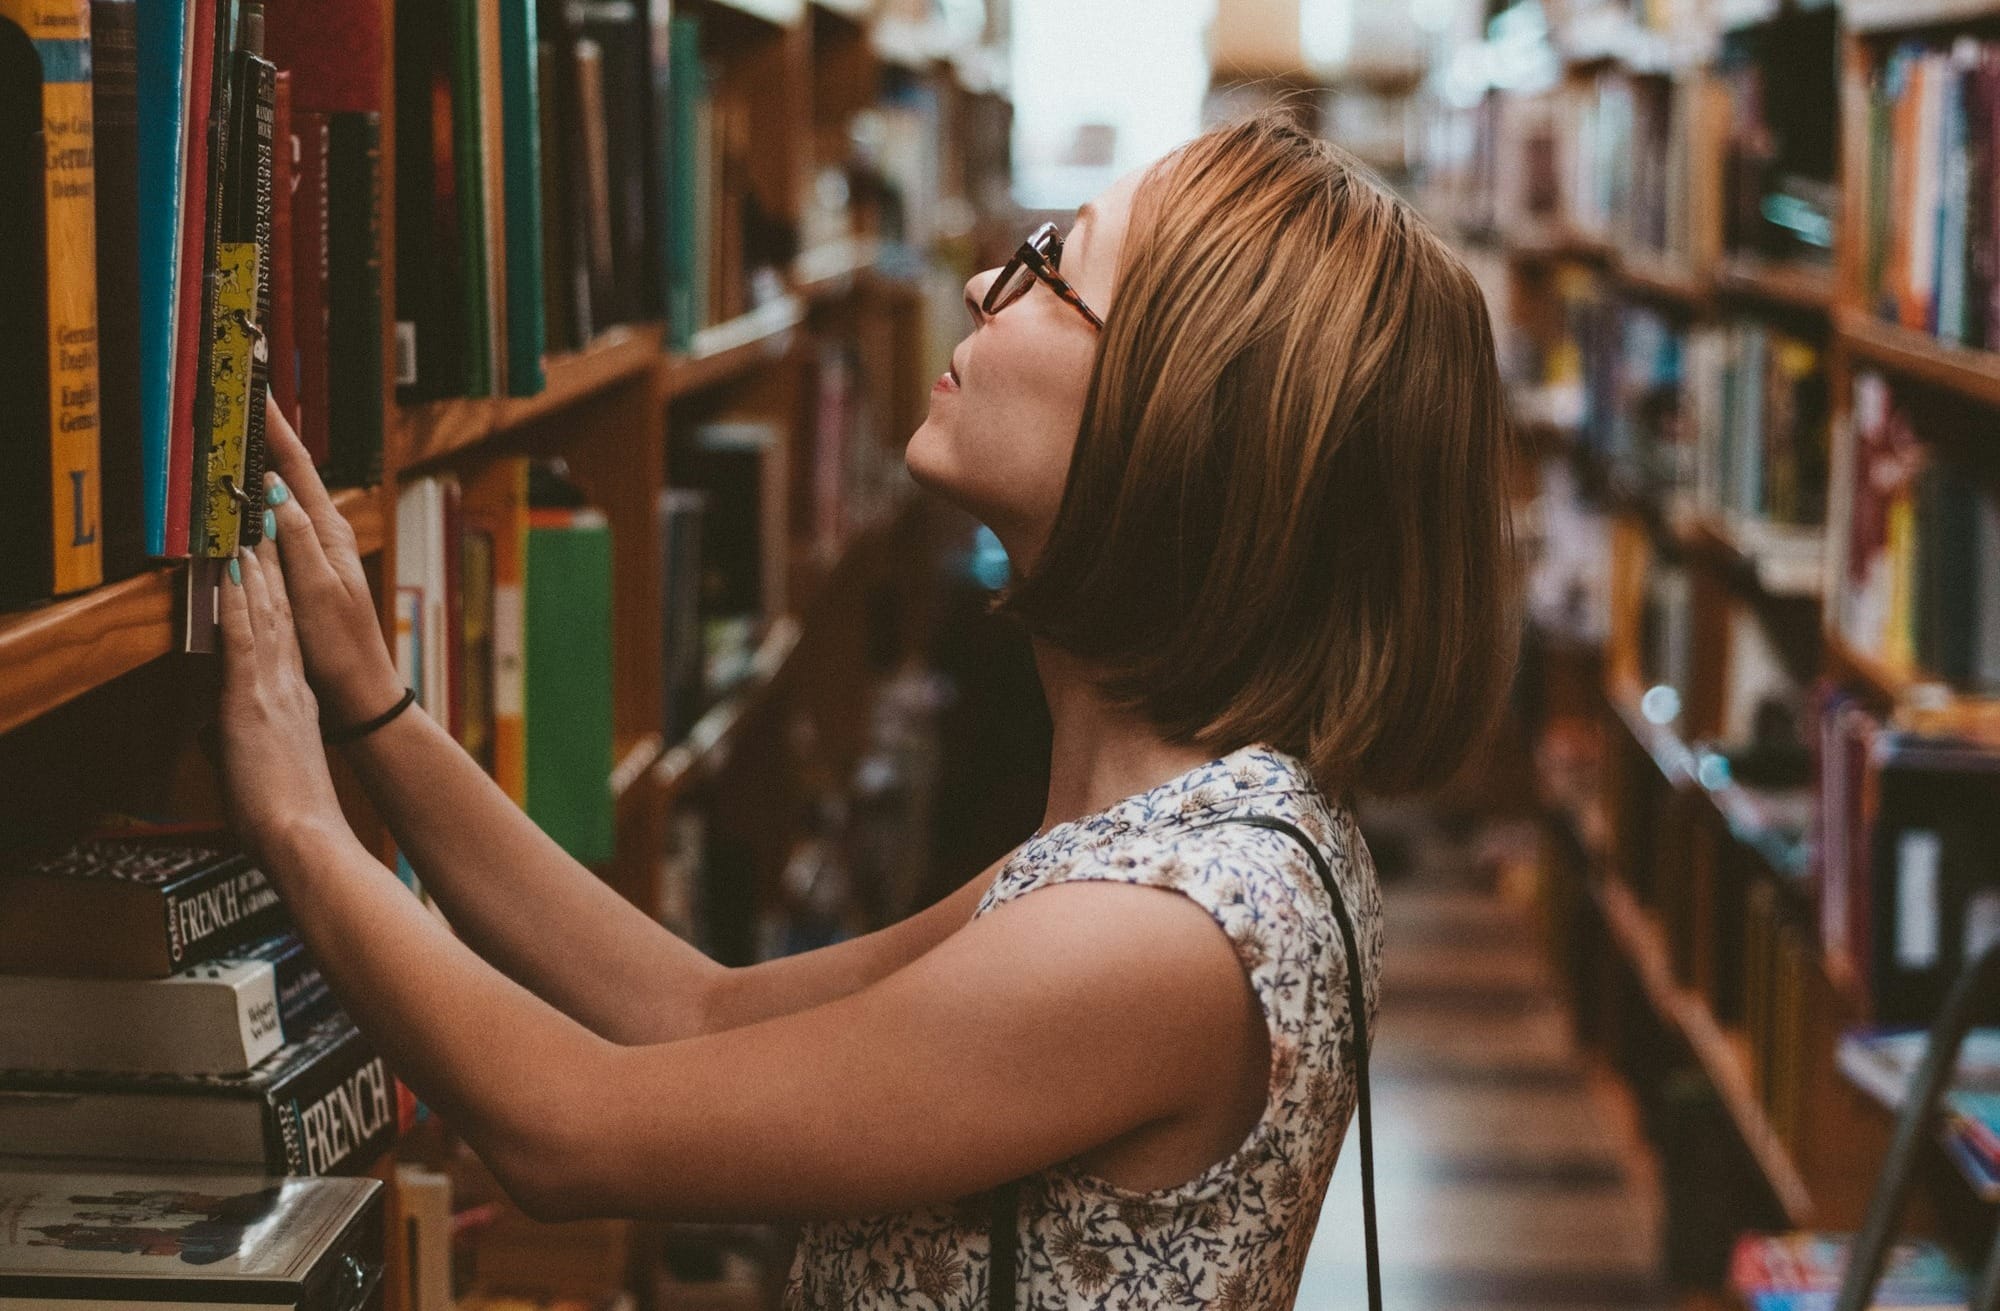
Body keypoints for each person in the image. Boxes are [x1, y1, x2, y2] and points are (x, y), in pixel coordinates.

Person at [213, 108, 1519, 1309]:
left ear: (1179, 420)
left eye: (1050, 267)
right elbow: (697, 1015)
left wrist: (297, 821)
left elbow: (566, 1129)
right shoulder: (1173, 839)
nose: (978, 285)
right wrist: (374, 712)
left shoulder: (1160, 930)